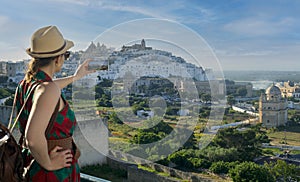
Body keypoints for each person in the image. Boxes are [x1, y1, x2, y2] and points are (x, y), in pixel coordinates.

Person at [16, 25, 95, 181]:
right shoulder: (48, 90)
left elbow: (49, 88)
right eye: (66, 55)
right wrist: (49, 164)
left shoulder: (25, 84)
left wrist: (75, 77)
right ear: (58, 59)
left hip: (32, 163)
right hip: (52, 171)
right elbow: (32, 137)